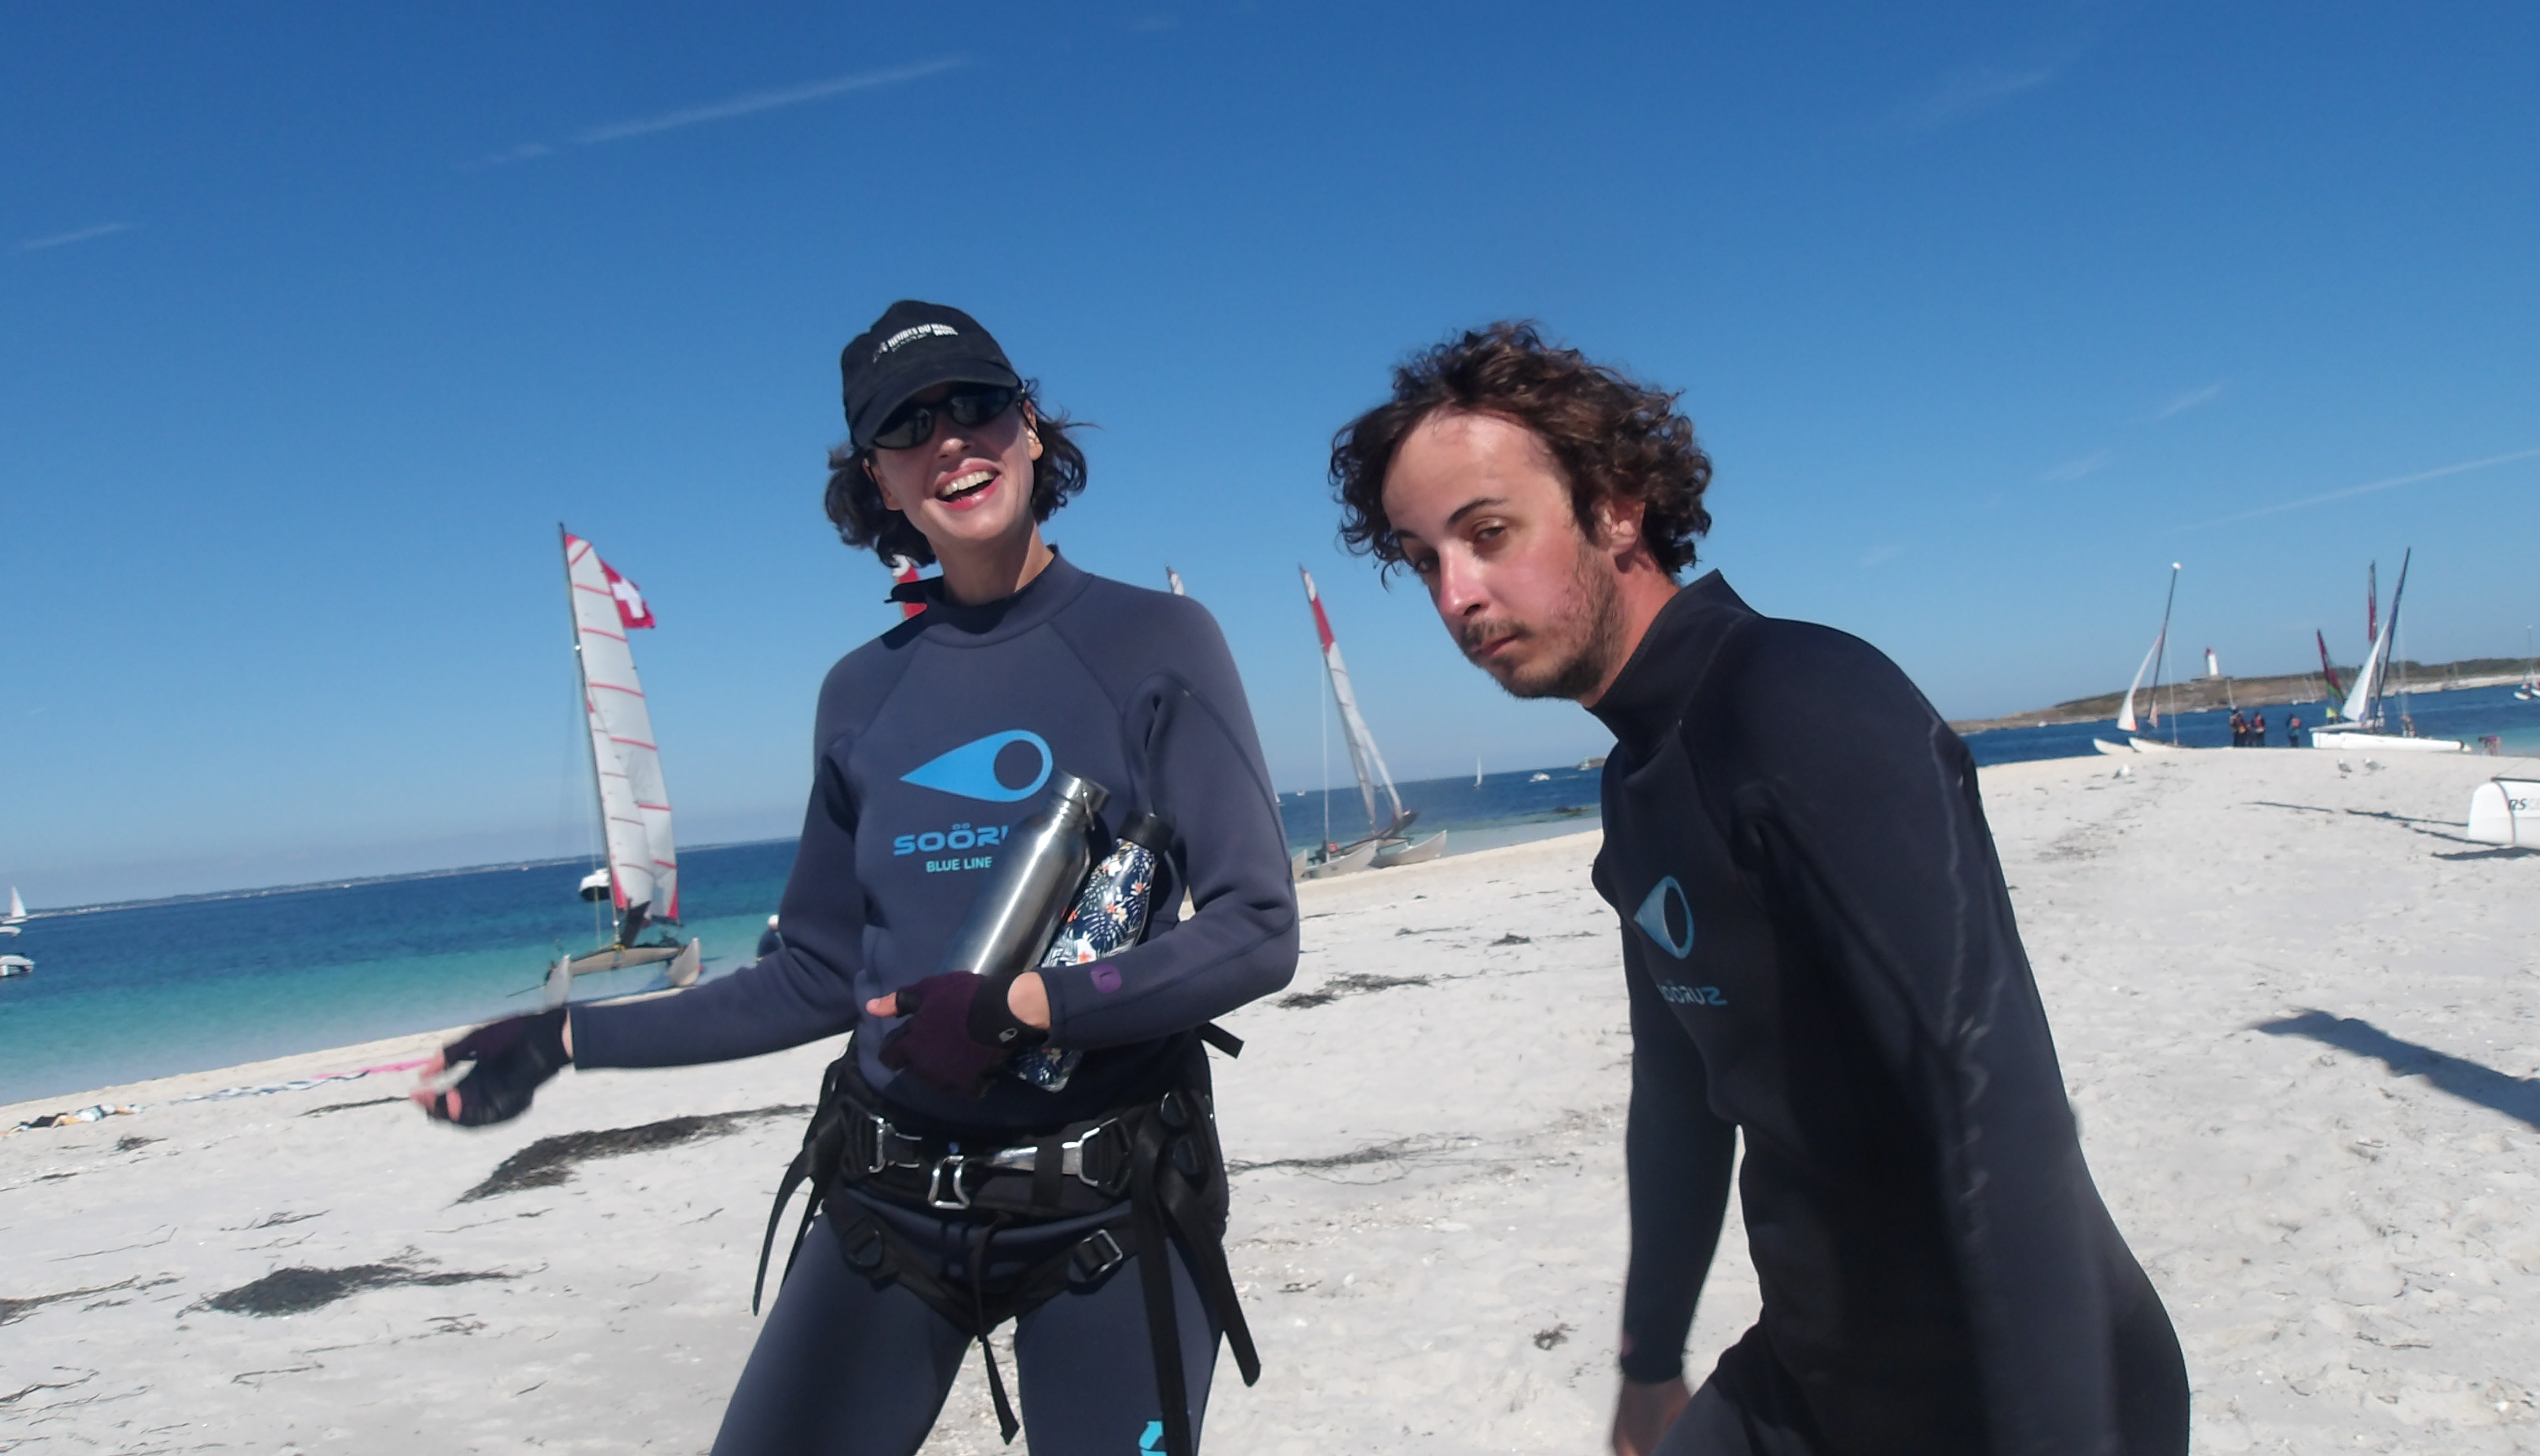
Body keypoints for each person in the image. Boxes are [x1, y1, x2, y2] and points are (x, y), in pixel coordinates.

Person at [413, 300, 1298, 1456]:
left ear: (1031, 427)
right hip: (887, 1203)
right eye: (907, 427)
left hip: (1110, 1207)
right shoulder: (859, 692)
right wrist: (565, 1038)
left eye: (977, 404)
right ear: (878, 479)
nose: (951, 440)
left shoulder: (1158, 641)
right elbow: (814, 975)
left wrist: (1029, 1006)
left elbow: (1257, 927)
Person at [1330, 323, 2187, 1456]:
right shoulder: (1639, 781)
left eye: (1488, 534)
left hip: (2011, 1383)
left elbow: (1995, 1104)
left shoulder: (1803, 701)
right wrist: (1649, 1359)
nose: (1456, 595)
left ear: (1617, 505)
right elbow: (1681, 1095)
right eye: (1423, 559)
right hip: (1812, 1373)